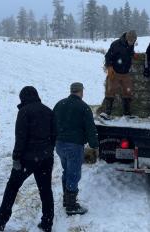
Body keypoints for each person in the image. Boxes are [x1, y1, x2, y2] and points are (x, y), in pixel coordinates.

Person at [0, 86, 55, 232]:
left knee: (12, 188)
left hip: (26, 159)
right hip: (46, 158)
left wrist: (16, 157)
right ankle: (47, 223)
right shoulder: (48, 110)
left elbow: (20, 138)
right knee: (46, 190)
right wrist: (48, 150)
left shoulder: (24, 112)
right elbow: (55, 135)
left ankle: (1, 221)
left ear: (23, 98)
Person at [54, 82, 98, 216]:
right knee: (74, 174)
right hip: (74, 146)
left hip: (59, 144)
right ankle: (71, 206)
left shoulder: (59, 104)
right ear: (81, 91)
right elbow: (90, 128)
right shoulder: (83, 107)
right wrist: (94, 143)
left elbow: (52, 122)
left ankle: (66, 200)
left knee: (66, 171)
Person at [102, 30, 138, 119]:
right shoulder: (116, 44)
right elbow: (108, 56)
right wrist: (109, 67)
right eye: (130, 41)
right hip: (115, 72)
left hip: (125, 73)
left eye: (133, 41)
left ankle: (126, 113)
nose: (131, 43)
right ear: (126, 38)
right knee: (110, 91)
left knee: (128, 92)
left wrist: (133, 54)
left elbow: (127, 52)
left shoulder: (131, 44)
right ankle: (107, 113)